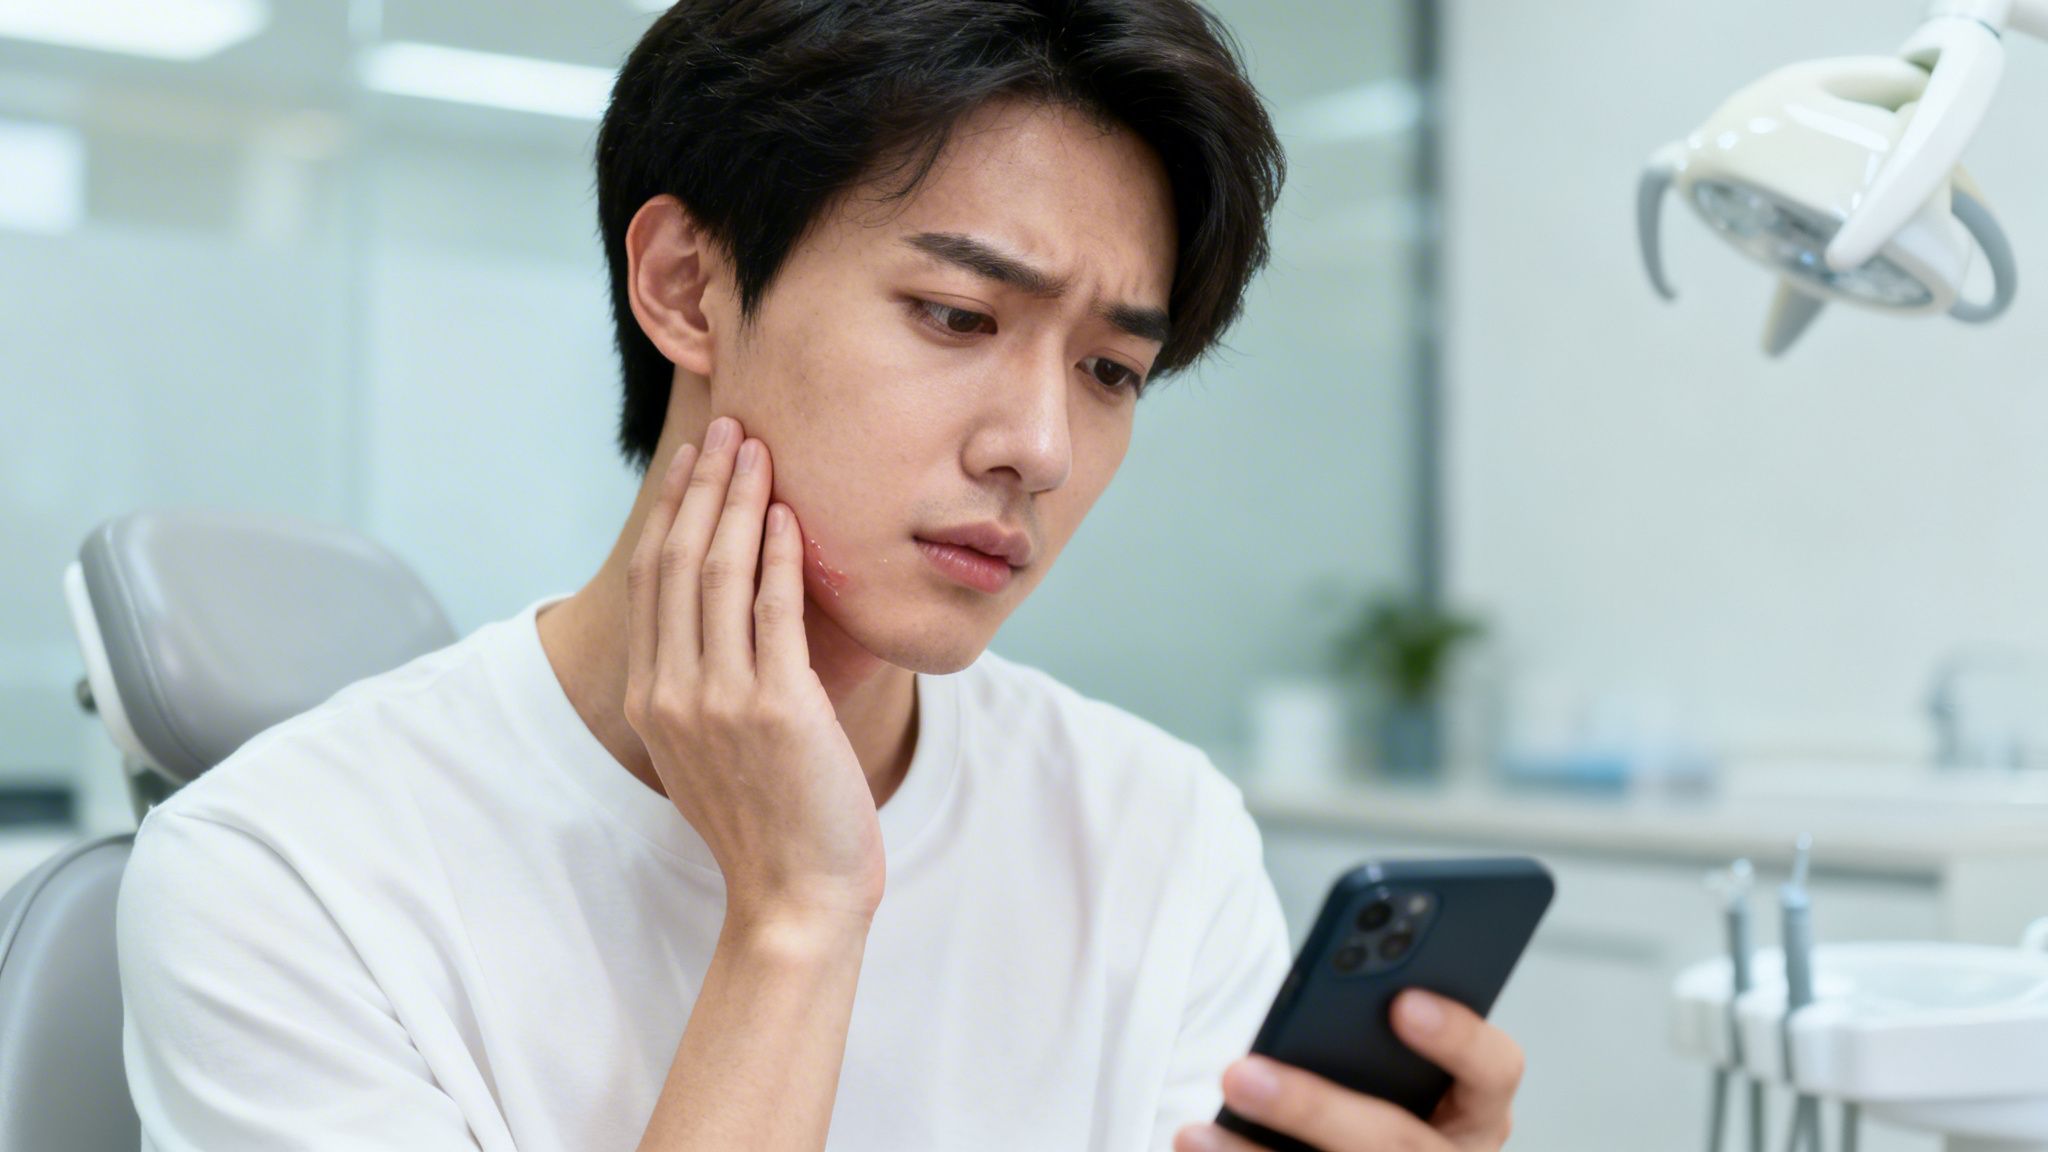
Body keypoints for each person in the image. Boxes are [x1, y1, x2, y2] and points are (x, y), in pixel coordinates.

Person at [116, 2, 1526, 1149]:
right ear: (684, 286)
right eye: (957, 314)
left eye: (1111, 371)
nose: (1039, 446)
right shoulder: (284, 882)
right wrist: (794, 917)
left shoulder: (1154, 835)